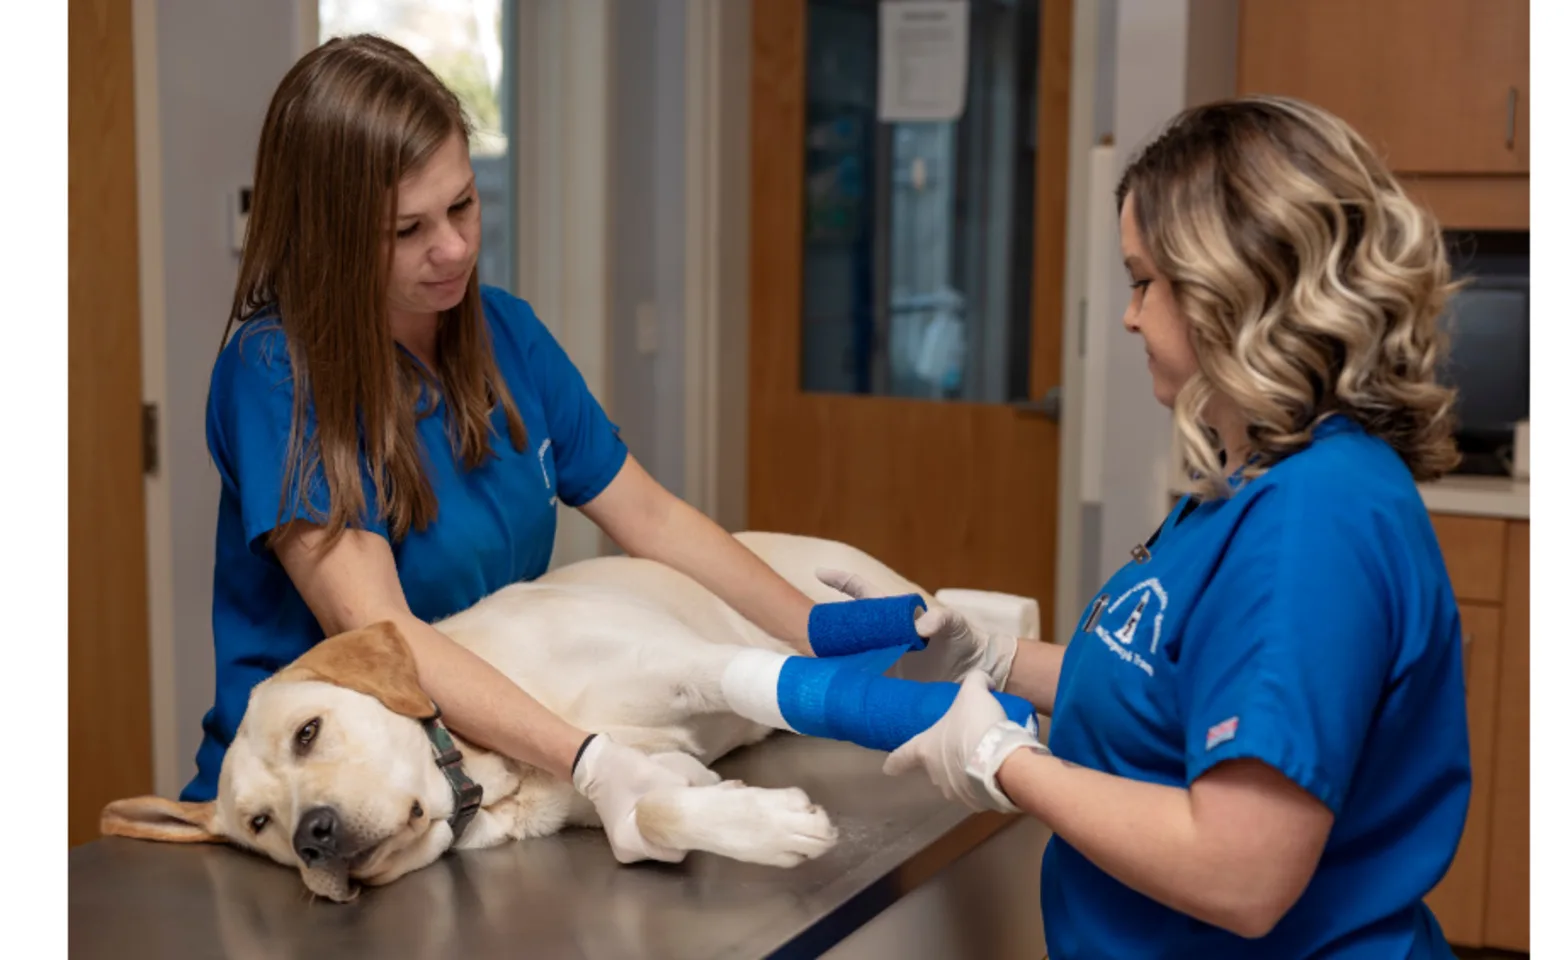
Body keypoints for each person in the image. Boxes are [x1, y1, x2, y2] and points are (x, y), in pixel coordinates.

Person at [828, 95, 1471, 958]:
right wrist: (990, 656)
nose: (1129, 317)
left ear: (1233, 285)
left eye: (1142, 282)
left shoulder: (1312, 526)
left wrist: (1006, 763)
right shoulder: (1259, 475)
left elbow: (1240, 875)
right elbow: (1171, 683)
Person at [183, 34, 832, 865]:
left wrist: (818, 632)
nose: (452, 249)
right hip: (316, 829)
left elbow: (653, 517)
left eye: (463, 205)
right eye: (407, 229)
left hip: (476, 789)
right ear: (327, 238)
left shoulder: (508, 338)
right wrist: (590, 760)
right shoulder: (276, 376)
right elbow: (382, 628)